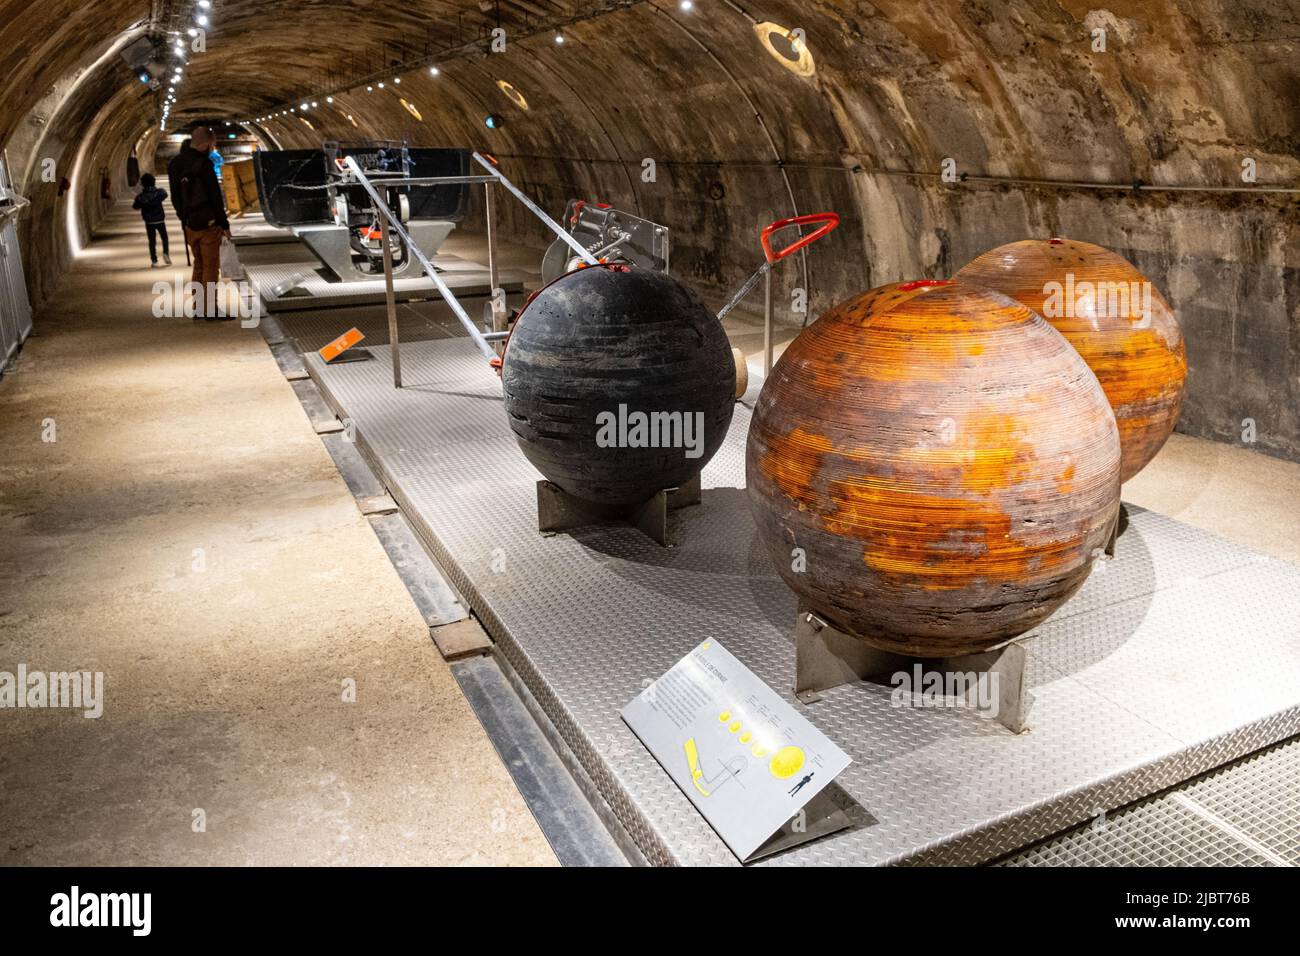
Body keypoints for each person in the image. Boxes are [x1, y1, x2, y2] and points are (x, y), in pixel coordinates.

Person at [167, 124, 232, 319]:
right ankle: (210, 310)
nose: (211, 149)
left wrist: (184, 218)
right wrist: (224, 224)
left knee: (199, 265)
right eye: (210, 145)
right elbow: (215, 197)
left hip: (189, 224)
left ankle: (198, 307)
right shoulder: (204, 164)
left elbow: (175, 196)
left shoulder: (175, 163)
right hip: (209, 224)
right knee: (211, 268)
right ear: (205, 143)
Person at [131, 173, 171, 268]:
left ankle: (154, 260)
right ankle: (166, 253)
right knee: (164, 238)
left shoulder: (141, 197)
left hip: (149, 222)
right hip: (160, 220)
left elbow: (135, 206)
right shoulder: (159, 193)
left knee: (152, 241)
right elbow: (165, 194)